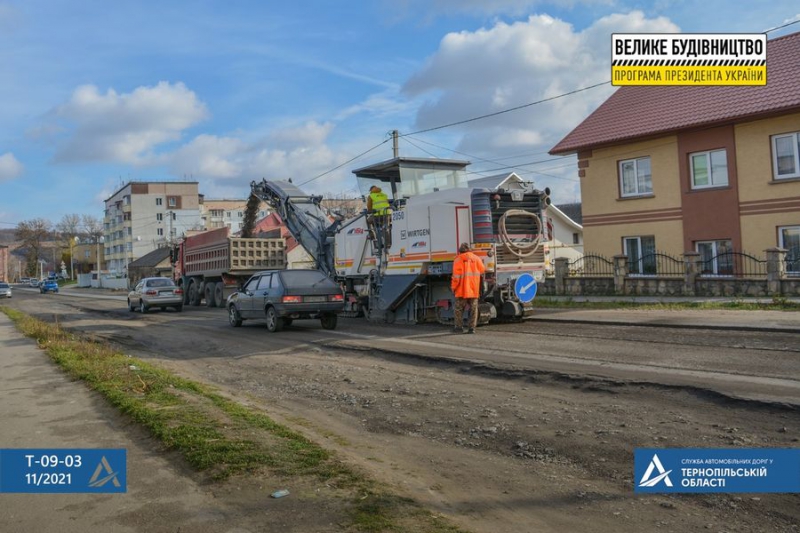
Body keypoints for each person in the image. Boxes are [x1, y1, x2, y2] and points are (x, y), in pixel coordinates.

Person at [451, 242, 485, 334]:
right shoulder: (477, 259)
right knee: (474, 309)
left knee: (458, 309)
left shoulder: (458, 259)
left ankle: (459, 328)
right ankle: (472, 328)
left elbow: (456, 277)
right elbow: (482, 270)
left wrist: (453, 288)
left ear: (460, 251)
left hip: (461, 290)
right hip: (473, 290)